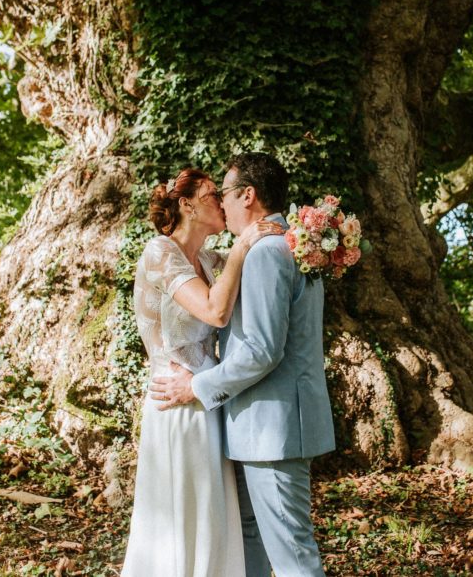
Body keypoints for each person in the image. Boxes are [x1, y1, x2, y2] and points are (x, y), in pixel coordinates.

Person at [151, 152, 335, 577]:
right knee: (250, 539)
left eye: (226, 194)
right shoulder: (288, 243)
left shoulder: (270, 251)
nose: (222, 204)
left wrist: (194, 387)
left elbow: (262, 350)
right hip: (260, 427)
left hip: (274, 427)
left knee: (292, 554)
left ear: (248, 195)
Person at [121, 167, 281, 577]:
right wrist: (243, 247)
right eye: (213, 195)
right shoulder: (159, 251)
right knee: (180, 517)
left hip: (207, 397)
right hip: (174, 401)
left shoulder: (211, 261)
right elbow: (214, 310)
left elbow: (264, 272)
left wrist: (316, 239)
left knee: (213, 511)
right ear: (187, 204)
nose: (221, 202)